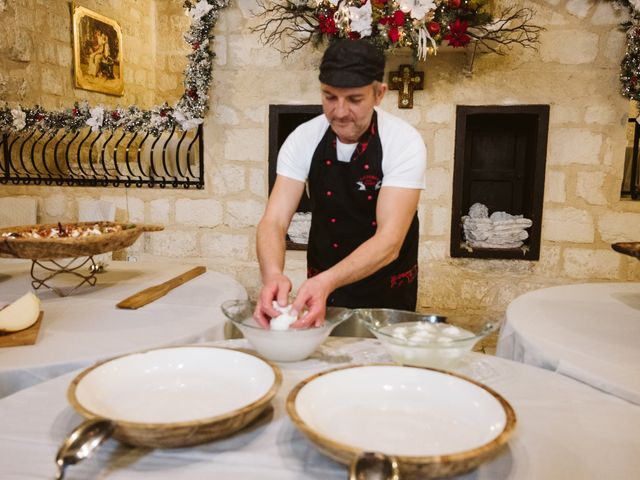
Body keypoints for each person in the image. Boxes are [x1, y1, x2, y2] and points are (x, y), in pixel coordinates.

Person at [255, 39, 426, 329]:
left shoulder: (403, 142)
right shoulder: (303, 138)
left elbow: (390, 242)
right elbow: (273, 220)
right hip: (322, 283)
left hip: (386, 288)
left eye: (354, 99)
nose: (339, 111)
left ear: (379, 94)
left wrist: (326, 282)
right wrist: (273, 275)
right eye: (329, 97)